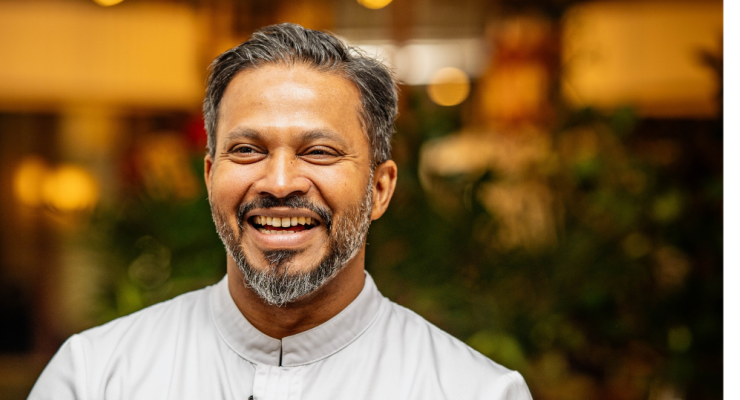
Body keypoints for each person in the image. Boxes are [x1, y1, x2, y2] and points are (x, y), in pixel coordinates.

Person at [28, 23, 533, 400]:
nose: (279, 182)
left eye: (319, 151)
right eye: (247, 150)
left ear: (380, 189)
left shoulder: (474, 391)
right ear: (209, 178)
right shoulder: (94, 377)